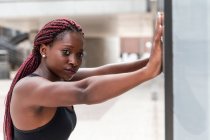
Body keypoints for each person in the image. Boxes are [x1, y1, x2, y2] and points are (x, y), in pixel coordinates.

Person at [4, 13, 164, 140]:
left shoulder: (59, 78)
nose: (74, 61)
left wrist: (153, 61)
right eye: (66, 52)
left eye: (79, 54)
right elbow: (84, 91)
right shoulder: (29, 88)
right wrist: (147, 72)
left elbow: (103, 72)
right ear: (44, 50)